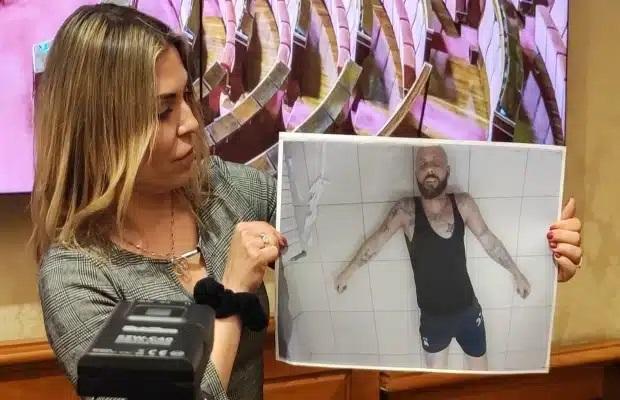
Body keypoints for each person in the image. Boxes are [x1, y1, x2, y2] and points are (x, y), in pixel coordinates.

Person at [31, 4, 286, 400]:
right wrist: (233, 297)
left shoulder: (220, 188)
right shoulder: (76, 275)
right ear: (101, 130)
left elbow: (320, 209)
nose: (190, 122)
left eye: (186, 96)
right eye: (163, 111)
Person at [334, 145, 583, 370]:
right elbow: (377, 241)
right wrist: (348, 272)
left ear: (447, 170)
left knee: (479, 378)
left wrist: (517, 273)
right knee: (436, 383)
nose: (429, 168)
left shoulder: (463, 204)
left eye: (436, 163)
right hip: (433, 319)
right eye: (422, 164)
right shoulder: (405, 210)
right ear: (415, 173)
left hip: (468, 312)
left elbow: (488, 239)